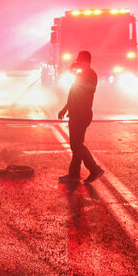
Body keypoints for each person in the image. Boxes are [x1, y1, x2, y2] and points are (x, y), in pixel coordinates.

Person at [58, 50, 105, 184]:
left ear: (85, 62)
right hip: (77, 113)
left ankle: (94, 169)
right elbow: (74, 95)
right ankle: (74, 174)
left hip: (82, 114)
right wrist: (65, 109)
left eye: (80, 61)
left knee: (77, 145)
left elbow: (81, 92)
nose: (78, 64)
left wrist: (76, 74)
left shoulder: (90, 75)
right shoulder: (82, 74)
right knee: (76, 145)